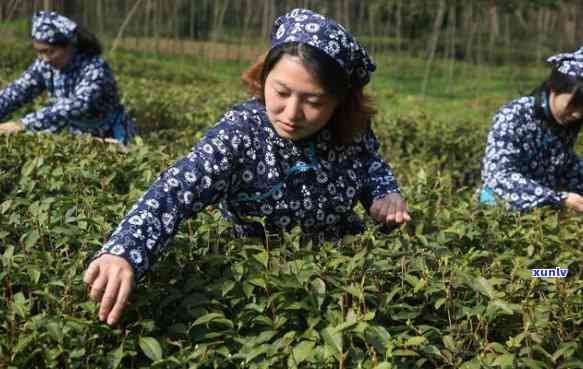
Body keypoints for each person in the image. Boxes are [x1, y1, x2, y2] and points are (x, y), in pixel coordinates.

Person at [84, 8, 411, 325]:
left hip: (340, 276)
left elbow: (369, 162)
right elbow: (176, 188)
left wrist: (384, 193)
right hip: (259, 284)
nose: (291, 113)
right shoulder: (241, 133)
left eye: (313, 102)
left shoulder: (349, 127)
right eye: (281, 92)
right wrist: (124, 250)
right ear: (264, 77)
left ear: (339, 101)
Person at [0, 11, 134, 145]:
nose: (44, 59)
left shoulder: (94, 68)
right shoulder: (45, 65)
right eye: (39, 52)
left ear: (70, 46)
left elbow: (77, 104)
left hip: (110, 132)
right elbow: (18, 91)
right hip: (77, 134)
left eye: (50, 51)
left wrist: (22, 124)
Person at [478, 46, 583, 212]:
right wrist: (559, 199)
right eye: (574, 104)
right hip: (496, 215)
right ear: (555, 87)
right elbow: (498, 177)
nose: (577, 114)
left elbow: (567, 165)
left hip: (537, 218)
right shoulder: (514, 115)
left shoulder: (564, 125)